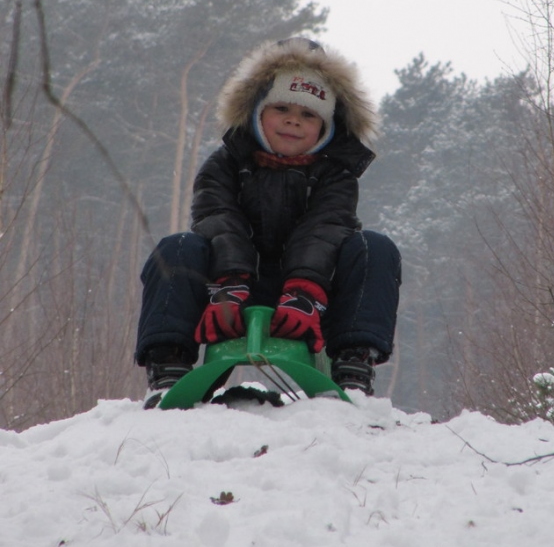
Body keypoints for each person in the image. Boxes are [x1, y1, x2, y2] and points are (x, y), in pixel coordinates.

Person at [135, 37, 401, 408]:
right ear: (257, 112)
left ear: (326, 128)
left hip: (312, 294)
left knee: (374, 248)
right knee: (177, 248)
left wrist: (305, 292)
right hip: (229, 288)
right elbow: (218, 222)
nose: (294, 120)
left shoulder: (336, 175)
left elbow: (324, 230)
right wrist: (229, 284)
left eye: (309, 115)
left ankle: (353, 365)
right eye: (282, 108)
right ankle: (169, 365)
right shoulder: (224, 165)